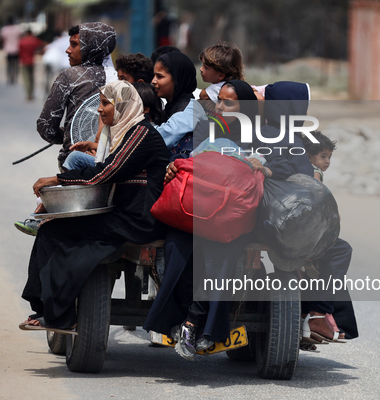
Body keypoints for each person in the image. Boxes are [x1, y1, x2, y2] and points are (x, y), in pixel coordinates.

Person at [19, 80, 169, 332]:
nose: (99, 110)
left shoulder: (141, 134)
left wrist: (57, 179)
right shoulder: (124, 133)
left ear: (121, 105)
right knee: (53, 231)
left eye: (104, 103)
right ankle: (49, 309)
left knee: (53, 232)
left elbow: (106, 172)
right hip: (124, 216)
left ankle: (56, 313)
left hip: (138, 221)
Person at [143, 80, 265, 361]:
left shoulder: (260, 135)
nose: (220, 106)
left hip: (231, 218)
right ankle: (186, 319)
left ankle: (192, 323)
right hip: (195, 210)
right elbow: (185, 159)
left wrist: (262, 167)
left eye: (228, 102)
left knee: (220, 254)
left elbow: (272, 166)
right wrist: (174, 168)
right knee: (177, 249)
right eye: (219, 100)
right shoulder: (206, 128)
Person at [260, 81, 357, 343]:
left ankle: (315, 315)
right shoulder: (289, 137)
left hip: (265, 216)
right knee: (339, 250)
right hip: (283, 219)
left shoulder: (260, 130)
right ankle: (317, 313)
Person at [36, 22, 117, 171]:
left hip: (74, 162)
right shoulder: (118, 78)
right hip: (112, 163)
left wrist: (68, 135)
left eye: (74, 45)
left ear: (90, 47)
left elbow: (46, 127)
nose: (68, 50)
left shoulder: (70, 76)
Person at [151, 51, 206, 155]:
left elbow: (163, 137)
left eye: (160, 76)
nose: (153, 81)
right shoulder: (169, 108)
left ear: (177, 79)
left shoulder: (191, 109)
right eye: (154, 76)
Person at [198, 41, 244, 106]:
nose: (201, 69)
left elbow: (202, 95)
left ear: (221, 75)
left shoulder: (220, 88)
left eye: (206, 68)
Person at [18, 28, 46, 101]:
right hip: (32, 61)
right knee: (32, 78)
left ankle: (28, 94)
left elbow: (19, 51)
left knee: (26, 78)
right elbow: (42, 44)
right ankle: (32, 93)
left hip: (24, 61)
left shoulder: (22, 41)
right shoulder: (34, 40)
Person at [0, 17, 21, 85]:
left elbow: (1, 38)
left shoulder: (5, 29)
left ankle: (9, 78)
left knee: (9, 65)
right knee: (15, 65)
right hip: (16, 49)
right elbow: (21, 37)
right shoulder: (17, 28)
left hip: (8, 49)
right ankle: (15, 78)